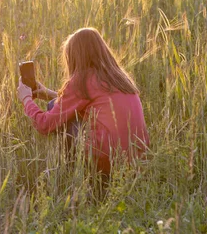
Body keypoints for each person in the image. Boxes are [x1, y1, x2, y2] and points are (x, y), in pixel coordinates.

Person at [17, 27, 150, 175]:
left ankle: (70, 173)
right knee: (55, 103)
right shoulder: (119, 78)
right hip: (138, 160)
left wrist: (26, 99)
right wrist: (47, 93)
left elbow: (45, 125)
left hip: (106, 162)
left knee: (53, 108)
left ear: (75, 57)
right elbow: (92, 102)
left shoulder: (81, 80)